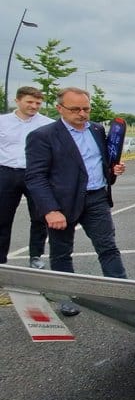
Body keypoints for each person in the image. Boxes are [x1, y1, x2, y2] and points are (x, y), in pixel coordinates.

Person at [25, 87, 128, 315]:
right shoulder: (43, 136)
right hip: (62, 204)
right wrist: (50, 210)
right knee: (61, 253)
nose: (82, 114)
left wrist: (114, 169)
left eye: (86, 109)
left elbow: (102, 161)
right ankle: (67, 298)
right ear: (60, 108)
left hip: (96, 198)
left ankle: (124, 296)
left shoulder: (97, 130)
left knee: (108, 248)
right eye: (75, 109)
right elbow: (35, 177)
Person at [0, 87, 54, 268]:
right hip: (6, 173)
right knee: (2, 217)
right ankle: (1, 260)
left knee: (39, 218)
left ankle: (36, 256)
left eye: (38, 103)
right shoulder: (2, 122)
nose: (34, 106)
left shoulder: (48, 124)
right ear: (17, 101)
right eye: (29, 102)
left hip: (36, 174)